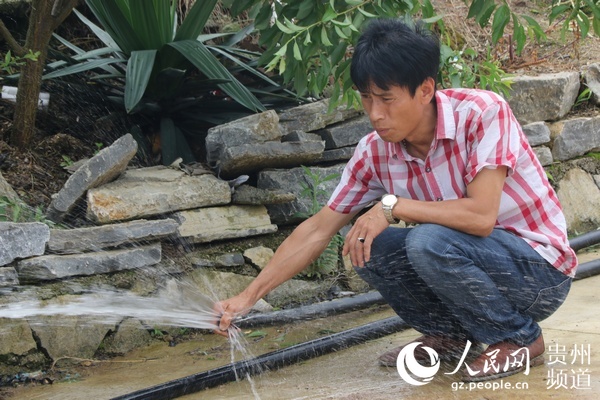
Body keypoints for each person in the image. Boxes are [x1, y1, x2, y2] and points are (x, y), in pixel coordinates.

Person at [214, 18, 577, 382]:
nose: (375, 113)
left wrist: (391, 206)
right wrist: (248, 296)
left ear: (425, 89)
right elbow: (318, 229)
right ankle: (449, 335)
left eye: (387, 99)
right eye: (366, 98)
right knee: (365, 242)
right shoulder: (374, 152)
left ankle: (518, 338)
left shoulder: (481, 113)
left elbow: (481, 217)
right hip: (473, 264)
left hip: (539, 274)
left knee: (428, 240)